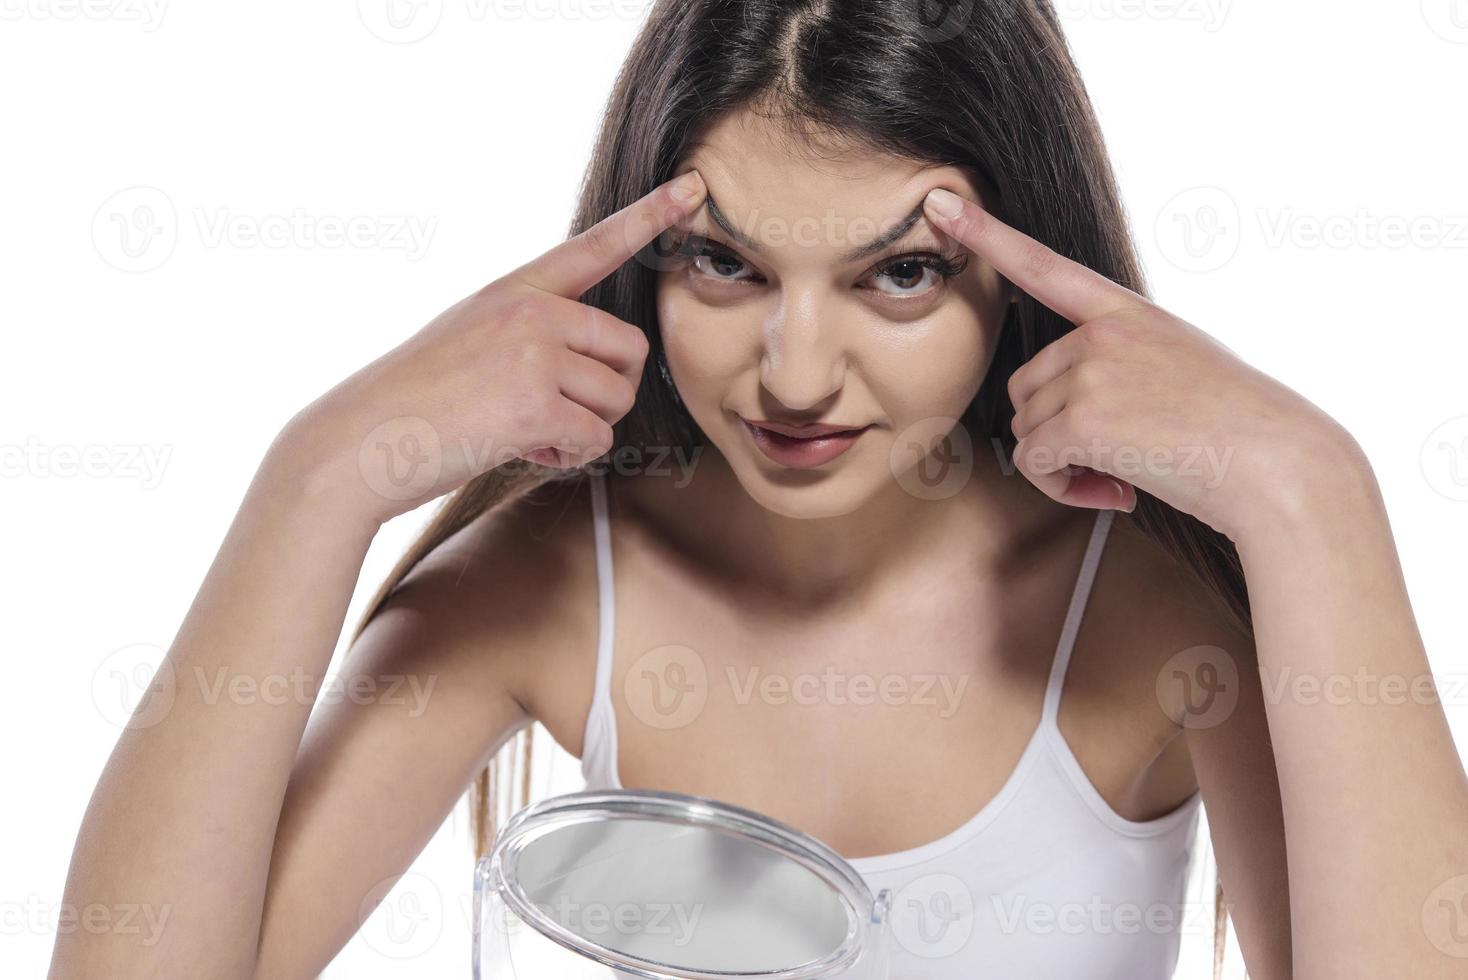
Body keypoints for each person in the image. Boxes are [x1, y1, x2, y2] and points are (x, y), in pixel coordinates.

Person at [50, 2, 1468, 978]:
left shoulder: (1153, 618)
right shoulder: (553, 587)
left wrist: (1312, 490)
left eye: (896, 273)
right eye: (725, 264)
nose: (796, 375)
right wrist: (316, 474)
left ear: (1018, 266)